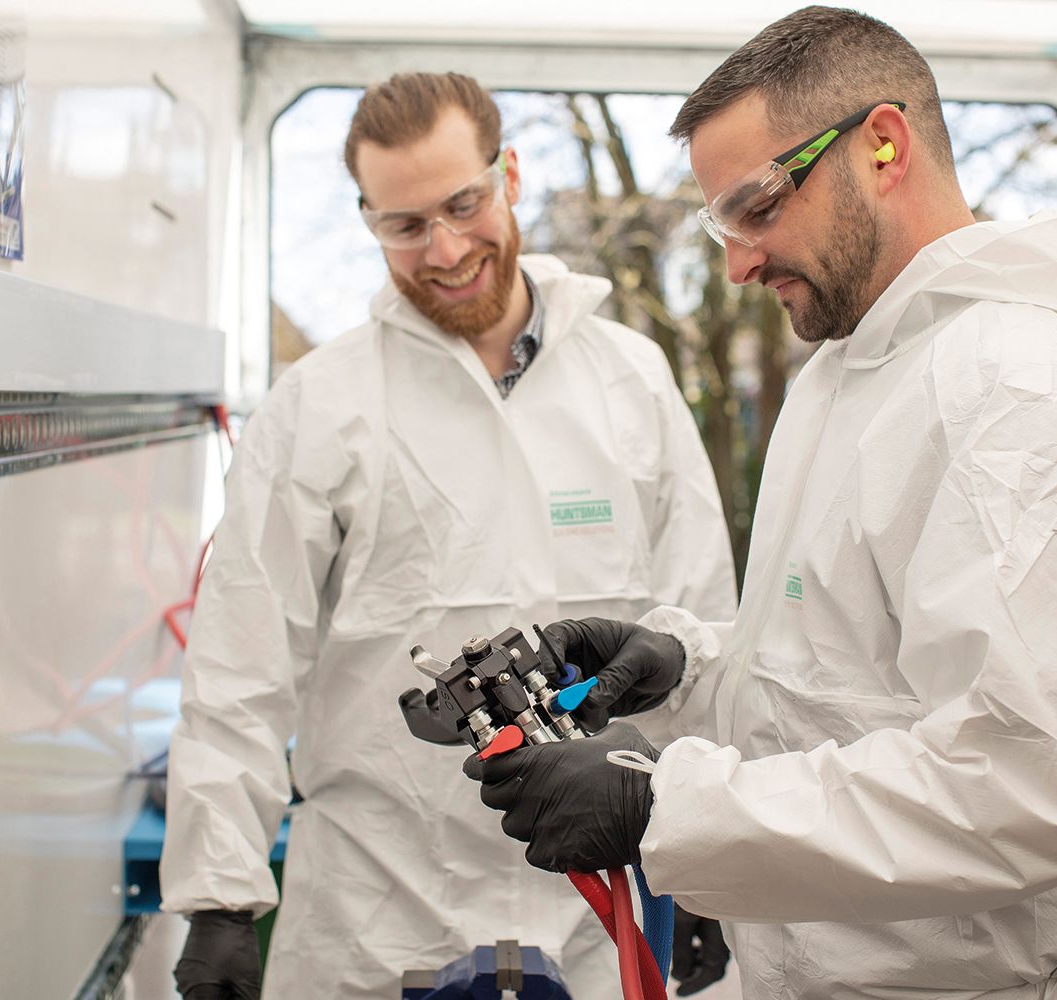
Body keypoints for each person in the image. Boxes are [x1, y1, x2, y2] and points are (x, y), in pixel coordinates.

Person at [466, 8, 1057, 999]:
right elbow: (864, 687)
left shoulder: (1010, 390)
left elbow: (1027, 783)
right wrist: (684, 669)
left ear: (880, 145)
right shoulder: (856, 373)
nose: (736, 262)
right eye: (719, 225)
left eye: (756, 205)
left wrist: (664, 810)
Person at [158, 71, 737, 1000]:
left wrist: (712, 858)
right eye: (405, 225)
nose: (446, 247)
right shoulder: (323, 405)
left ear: (508, 173)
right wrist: (219, 900)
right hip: (379, 911)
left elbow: (701, 613)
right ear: (367, 222)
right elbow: (240, 663)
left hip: (606, 902)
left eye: (464, 203)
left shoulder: (629, 378)